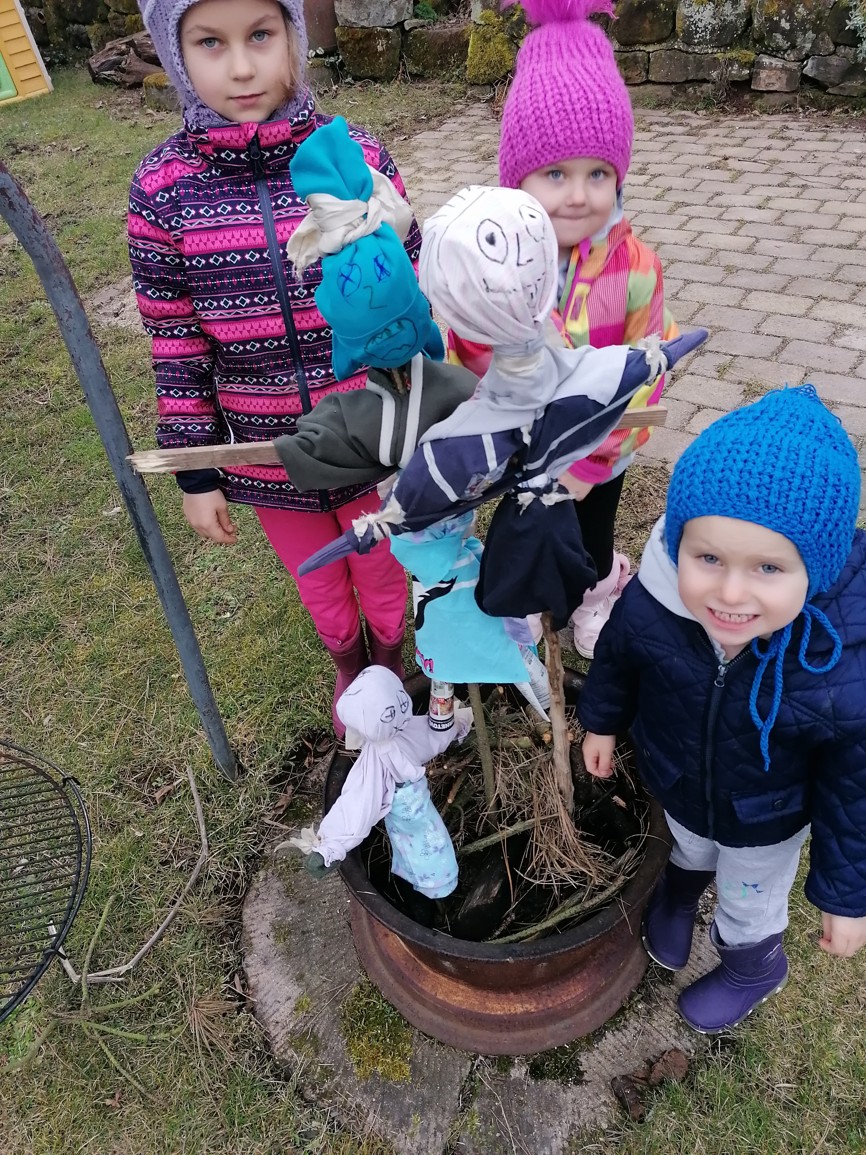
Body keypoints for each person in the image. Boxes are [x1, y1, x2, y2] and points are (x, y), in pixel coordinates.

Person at [128, 0, 421, 739]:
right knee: (320, 578)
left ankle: (391, 661)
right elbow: (175, 341)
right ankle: (349, 665)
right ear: (174, 51)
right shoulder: (162, 191)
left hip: (373, 435)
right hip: (270, 454)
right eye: (210, 42)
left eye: (260, 34)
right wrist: (198, 472)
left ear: (292, 34)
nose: (241, 66)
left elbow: (411, 285)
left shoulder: (355, 157)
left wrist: (424, 408)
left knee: (383, 568)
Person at [578, 385, 866, 1034]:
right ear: (679, 543)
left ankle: (751, 962)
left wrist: (846, 895)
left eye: (768, 568)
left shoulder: (840, 662)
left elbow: (855, 790)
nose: (731, 593)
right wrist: (601, 720)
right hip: (678, 779)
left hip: (767, 818)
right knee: (687, 843)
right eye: (707, 558)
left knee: (747, 894)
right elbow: (619, 654)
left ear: (816, 570)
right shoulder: (656, 602)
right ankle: (681, 889)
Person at [449, 0, 678, 658]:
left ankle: (598, 586)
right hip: (521, 442)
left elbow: (646, 375)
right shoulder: (495, 262)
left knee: (589, 537)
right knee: (528, 528)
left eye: (597, 174)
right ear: (517, 177)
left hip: (597, 456)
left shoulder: (636, 268)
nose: (578, 195)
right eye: (556, 174)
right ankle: (533, 594)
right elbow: (468, 357)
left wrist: (590, 461)